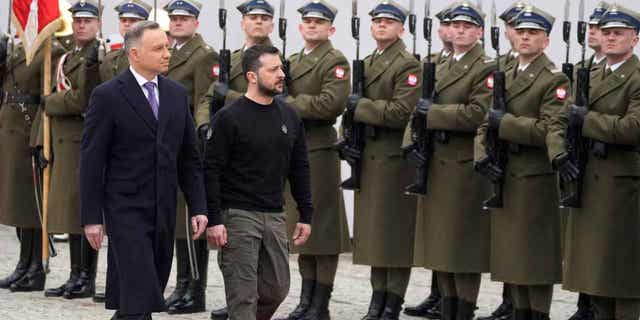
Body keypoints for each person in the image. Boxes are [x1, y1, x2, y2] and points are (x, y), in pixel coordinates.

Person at [80, 20, 209, 320]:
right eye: (158, 48)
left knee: (139, 299)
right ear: (134, 54)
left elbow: (189, 158)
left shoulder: (176, 94)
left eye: (166, 46)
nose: (167, 53)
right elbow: (91, 161)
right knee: (139, 294)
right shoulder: (108, 95)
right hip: (125, 211)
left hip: (164, 209)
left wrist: (198, 206)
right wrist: (91, 218)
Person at [204, 44, 313, 320]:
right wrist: (214, 219)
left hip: (274, 215)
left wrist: (306, 213)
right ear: (252, 76)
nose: (282, 74)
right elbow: (211, 170)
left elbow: (299, 167)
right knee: (244, 296)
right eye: (273, 69)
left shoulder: (289, 116)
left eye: (282, 68)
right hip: (238, 216)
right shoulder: (228, 118)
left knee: (277, 289)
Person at [547, 4, 640, 320]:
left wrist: (587, 119)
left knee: (621, 277)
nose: (611, 38)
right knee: (594, 274)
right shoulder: (590, 74)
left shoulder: (636, 78)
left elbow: (631, 128)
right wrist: (558, 152)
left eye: (619, 33)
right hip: (585, 182)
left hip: (620, 186)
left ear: (635, 39)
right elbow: (559, 121)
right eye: (608, 32)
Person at [475, 5, 568, 320]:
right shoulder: (506, 72)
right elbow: (486, 123)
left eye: (534, 33)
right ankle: (518, 311)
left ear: (546, 40)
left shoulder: (554, 78)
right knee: (512, 256)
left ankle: (537, 314)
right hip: (505, 174)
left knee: (535, 258)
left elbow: (548, 129)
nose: (525, 37)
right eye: (522, 32)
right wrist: (482, 154)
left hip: (533, 176)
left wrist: (508, 124)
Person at [409, 2, 494, 320]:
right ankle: (447, 306)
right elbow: (417, 106)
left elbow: (476, 114)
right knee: (441, 245)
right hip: (437, 161)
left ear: (479, 32)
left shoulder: (485, 67)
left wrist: (433, 114)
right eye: (456, 25)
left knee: (463, 248)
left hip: (463, 164)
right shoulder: (440, 63)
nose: (459, 30)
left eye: (467, 26)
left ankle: (464, 309)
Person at [338, 1, 420, 319]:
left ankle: (392, 302)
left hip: (395, 160)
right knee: (373, 235)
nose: (382, 26)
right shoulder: (369, 60)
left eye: (389, 21)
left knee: (394, 236)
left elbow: (401, 112)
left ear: (401, 28)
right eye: (377, 21)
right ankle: (377, 299)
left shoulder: (408, 64)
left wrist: (361, 107)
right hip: (370, 159)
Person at [195, 2, 277, 318]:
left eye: (263, 18)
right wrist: (205, 125)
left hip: (260, 155)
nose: (257, 22)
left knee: (257, 237)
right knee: (232, 232)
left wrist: (227, 98)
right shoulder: (227, 58)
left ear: (271, 25)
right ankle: (237, 299)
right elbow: (207, 97)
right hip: (230, 155)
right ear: (242, 22)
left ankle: (250, 302)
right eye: (252, 17)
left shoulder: (277, 61)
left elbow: (273, 102)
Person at [274, 2, 350, 320]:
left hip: (318, 150)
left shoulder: (335, 61)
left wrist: (288, 102)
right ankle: (306, 301)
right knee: (301, 230)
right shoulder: (293, 60)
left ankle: (321, 303)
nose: (312, 26)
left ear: (331, 29)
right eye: (307, 21)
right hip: (295, 150)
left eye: (319, 23)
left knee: (322, 231)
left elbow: (328, 105)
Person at [39, 0, 103, 300]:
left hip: (81, 140)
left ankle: (86, 278)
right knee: (69, 212)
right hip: (65, 142)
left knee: (83, 211)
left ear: (97, 24)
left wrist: (50, 102)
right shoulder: (68, 56)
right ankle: (75, 274)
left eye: (87, 21)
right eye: (77, 21)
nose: (80, 25)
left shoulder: (95, 56)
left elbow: (82, 100)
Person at [161, 0, 218, 315]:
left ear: (196, 22)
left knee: (191, 219)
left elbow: (203, 100)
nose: (178, 22)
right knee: (177, 221)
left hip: (188, 144)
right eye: (174, 18)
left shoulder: (202, 55)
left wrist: (196, 139)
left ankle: (195, 289)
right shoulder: (167, 50)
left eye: (184, 18)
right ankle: (181, 284)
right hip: (166, 145)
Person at [0, 27, 65, 292]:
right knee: (17, 204)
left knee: (33, 205)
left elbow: (44, 101)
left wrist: (39, 139)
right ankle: (23, 264)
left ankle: (36, 268)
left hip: (28, 134)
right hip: (10, 134)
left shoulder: (51, 50)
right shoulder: (16, 49)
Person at [475, 3, 527, 320]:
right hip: (501, 156)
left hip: (521, 154)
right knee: (506, 235)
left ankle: (516, 300)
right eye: (511, 26)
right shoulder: (500, 66)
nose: (514, 32)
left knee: (518, 236)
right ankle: (508, 300)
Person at [565, 3, 610, 320]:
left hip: (605, 164)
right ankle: (584, 303)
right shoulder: (583, 67)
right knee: (582, 239)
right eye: (592, 28)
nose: (594, 33)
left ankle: (592, 304)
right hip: (580, 161)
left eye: (601, 29)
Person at [99, 0, 152, 81]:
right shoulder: (110, 59)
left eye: (133, 20)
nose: (126, 24)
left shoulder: (154, 56)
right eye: (123, 20)